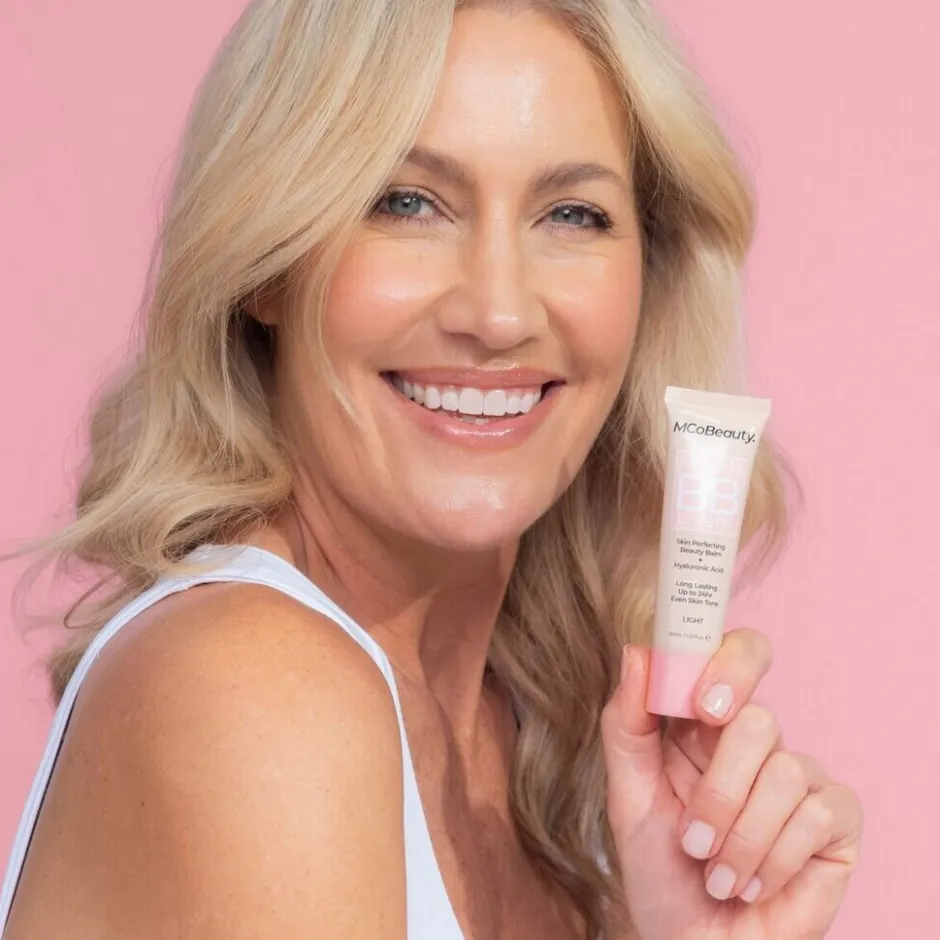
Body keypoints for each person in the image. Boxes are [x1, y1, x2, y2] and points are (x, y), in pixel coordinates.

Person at [0, 1, 863, 938]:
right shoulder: (255, 691)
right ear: (268, 266)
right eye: (405, 202)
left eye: (572, 214)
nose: (498, 314)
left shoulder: (545, 760)